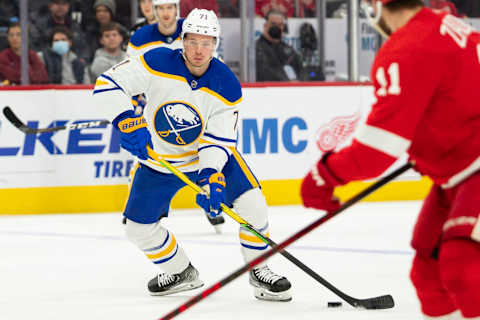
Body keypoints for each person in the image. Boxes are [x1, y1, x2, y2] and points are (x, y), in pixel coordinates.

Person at [92, 8, 292, 301]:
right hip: (160, 160)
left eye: (207, 42)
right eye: (193, 41)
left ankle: (259, 269)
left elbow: (218, 140)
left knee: (254, 205)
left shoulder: (227, 85)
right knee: (138, 229)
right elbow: (107, 85)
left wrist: (211, 177)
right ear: (182, 41)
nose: (199, 50)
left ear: (216, 45)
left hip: (204, 157)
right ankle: (180, 271)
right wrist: (126, 120)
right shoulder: (156, 61)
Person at [300, 0, 480, 318]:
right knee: (429, 275)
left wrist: (322, 177)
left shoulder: (408, 47)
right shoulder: (448, 25)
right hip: (458, 174)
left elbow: (376, 151)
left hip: (472, 169)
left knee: (462, 267)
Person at [255, 9, 305, 81]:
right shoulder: (257, 48)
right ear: (265, 25)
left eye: (280, 25)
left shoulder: (288, 49)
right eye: (273, 24)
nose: (277, 27)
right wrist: (287, 81)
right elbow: (263, 73)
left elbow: (301, 70)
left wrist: (299, 82)